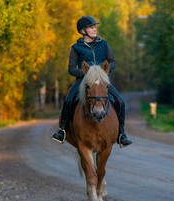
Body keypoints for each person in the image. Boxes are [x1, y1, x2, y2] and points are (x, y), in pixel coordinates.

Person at [52, 15, 132, 147]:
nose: (95, 29)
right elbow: (71, 69)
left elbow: (113, 62)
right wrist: (86, 73)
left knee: (120, 102)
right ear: (83, 31)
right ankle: (62, 130)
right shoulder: (76, 48)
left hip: (101, 80)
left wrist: (103, 71)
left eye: (95, 27)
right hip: (83, 81)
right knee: (68, 100)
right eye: (91, 27)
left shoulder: (104, 44)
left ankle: (122, 133)